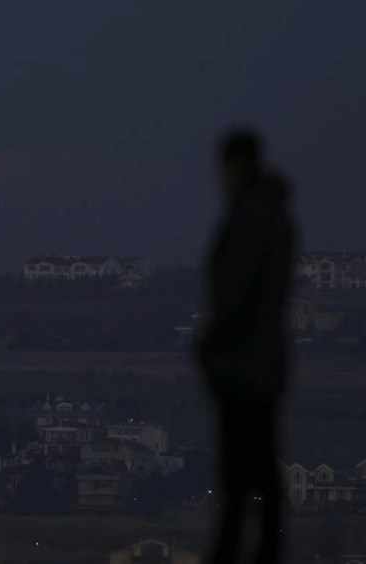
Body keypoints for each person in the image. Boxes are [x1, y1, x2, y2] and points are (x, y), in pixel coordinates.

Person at [198, 127, 296, 564]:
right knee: (258, 466)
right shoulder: (272, 216)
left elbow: (237, 293)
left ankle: (239, 551)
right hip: (262, 362)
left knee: (241, 470)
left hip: (243, 366)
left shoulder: (249, 219)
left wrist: (213, 343)